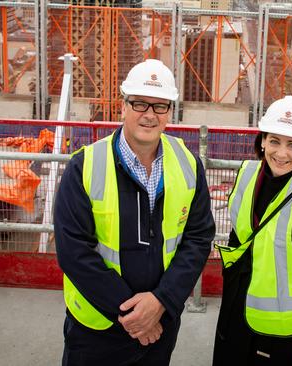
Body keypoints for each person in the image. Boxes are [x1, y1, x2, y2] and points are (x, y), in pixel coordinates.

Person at [55, 59, 215, 366]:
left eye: (160, 106)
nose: (149, 115)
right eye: (140, 103)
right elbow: (73, 250)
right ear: (124, 105)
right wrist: (134, 315)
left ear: (171, 111)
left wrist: (161, 302)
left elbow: (198, 238)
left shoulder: (188, 164)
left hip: (160, 326)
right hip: (97, 329)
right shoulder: (84, 166)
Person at [213, 96, 292, 366]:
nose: (281, 153)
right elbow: (240, 239)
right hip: (236, 318)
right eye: (274, 141)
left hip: (283, 335)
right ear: (262, 141)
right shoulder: (247, 176)